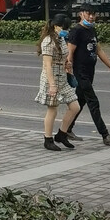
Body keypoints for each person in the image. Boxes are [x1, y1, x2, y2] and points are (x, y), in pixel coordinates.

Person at [62, 7, 110, 145]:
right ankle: (105, 135)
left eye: (93, 14)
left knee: (80, 102)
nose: (91, 17)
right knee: (93, 102)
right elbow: (70, 51)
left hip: (89, 73)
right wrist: (68, 68)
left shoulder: (91, 30)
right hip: (80, 72)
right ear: (81, 14)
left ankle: (66, 130)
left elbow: (98, 49)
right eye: (89, 14)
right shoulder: (76, 31)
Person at [35, 14, 78, 150]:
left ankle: (62, 134)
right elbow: (47, 65)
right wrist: (52, 85)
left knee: (75, 106)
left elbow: (64, 55)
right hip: (51, 79)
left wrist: (67, 63)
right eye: (63, 27)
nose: (66, 30)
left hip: (63, 78)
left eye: (67, 28)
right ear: (55, 26)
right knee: (52, 109)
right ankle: (48, 139)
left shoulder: (61, 38)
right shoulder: (48, 41)